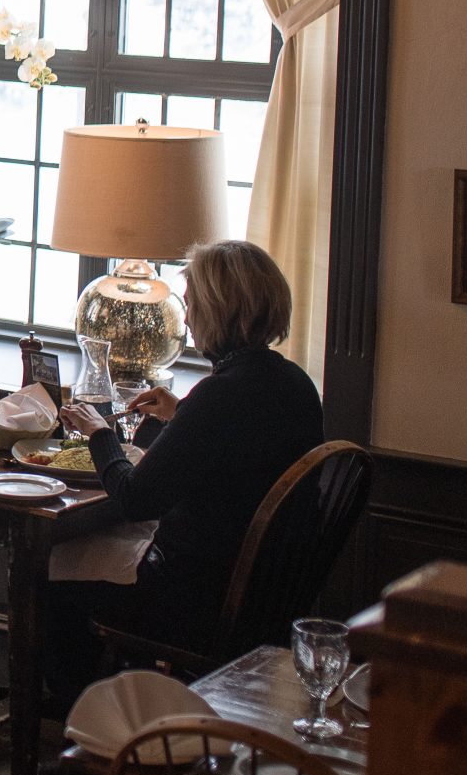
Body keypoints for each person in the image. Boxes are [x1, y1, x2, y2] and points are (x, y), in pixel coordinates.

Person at [42, 239, 326, 709]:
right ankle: (136, 718)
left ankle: (94, 736)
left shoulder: (220, 395)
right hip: (266, 593)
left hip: (196, 600)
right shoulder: (293, 383)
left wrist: (98, 433)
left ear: (217, 309)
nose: (188, 317)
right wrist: (181, 415)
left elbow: (135, 499)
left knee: (50, 578)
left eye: (192, 303)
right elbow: (243, 448)